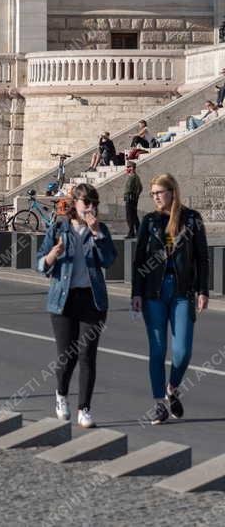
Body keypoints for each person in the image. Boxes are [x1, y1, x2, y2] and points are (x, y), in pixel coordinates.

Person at [36, 183, 116, 429]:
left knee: (87, 356)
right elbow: (40, 263)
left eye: (94, 203)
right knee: (66, 356)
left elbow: (109, 260)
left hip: (92, 300)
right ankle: (61, 395)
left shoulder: (100, 230)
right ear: (75, 204)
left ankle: (85, 409)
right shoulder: (60, 227)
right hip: (63, 299)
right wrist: (54, 254)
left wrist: (97, 235)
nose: (90, 208)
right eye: (86, 203)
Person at [131, 174, 210, 425]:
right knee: (157, 350)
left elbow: (201, 257)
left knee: (182, 351)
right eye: (152, 193)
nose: (154, 196)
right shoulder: (149, 221)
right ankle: (158, 405)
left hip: (182, 292)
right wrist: (136, 292)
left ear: (172, 192)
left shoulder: (192, 219)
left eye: (159, 192)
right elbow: (139, 259)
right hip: (153, 293)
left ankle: (172, 388)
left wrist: (203, 290)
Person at [123, 161, 142, 239]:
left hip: (131, 198)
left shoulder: (134, 177)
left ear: (132, 168)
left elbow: (139, 188)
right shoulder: (132, 176)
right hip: (131, 198)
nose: (127, 169)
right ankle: (138, 231)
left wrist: (134, 196)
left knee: (130, 216)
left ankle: (131, 233)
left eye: (128, 167)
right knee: (134, 215)